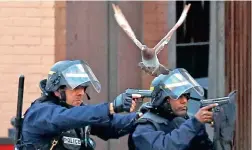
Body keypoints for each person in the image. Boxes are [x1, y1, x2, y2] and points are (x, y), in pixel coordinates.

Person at [15, 59, 142, 150]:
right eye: (75, 88)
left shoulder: (78, 111)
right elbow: (67, 117)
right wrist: (112, 107)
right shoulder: (40, 113)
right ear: (58, 90)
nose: (81, 93)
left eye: (83, 88)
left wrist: (142, 116)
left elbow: (112, 126)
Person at [129, 68, 216, 150]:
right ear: (162, 99)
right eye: (179, 96)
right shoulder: (144, 127)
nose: (185, 101)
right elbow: (164, 147)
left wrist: (219, 126)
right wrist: (194, 123)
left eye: (186, 96)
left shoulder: (183, 121)